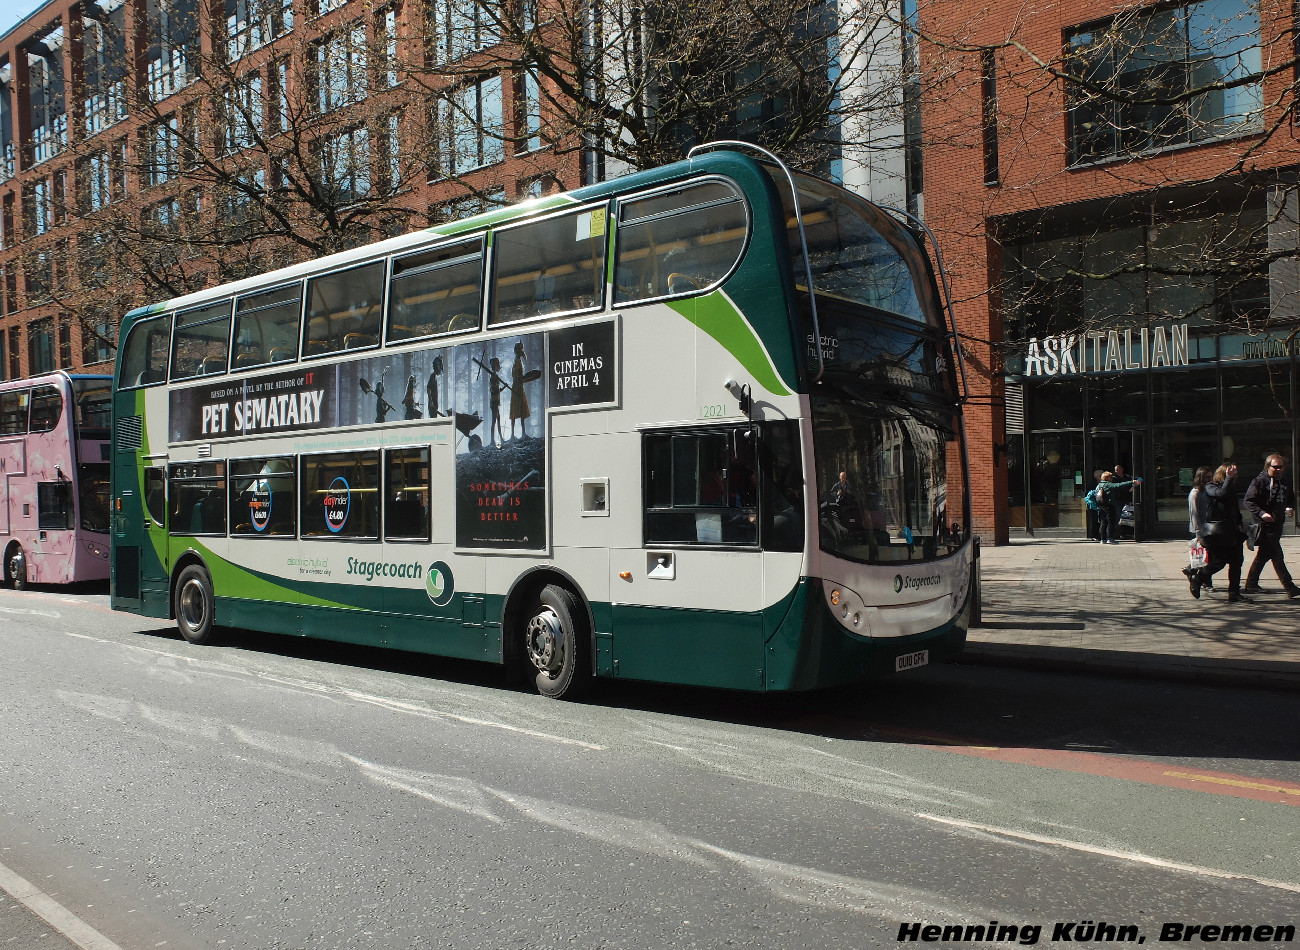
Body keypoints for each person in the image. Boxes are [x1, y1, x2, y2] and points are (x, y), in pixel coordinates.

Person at [1243, 454, 1299, 597]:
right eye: (1276, 467)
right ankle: (1289, 586)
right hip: (1264, 525)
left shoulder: (1285, 481)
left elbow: (1290, 499)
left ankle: (1251, 583)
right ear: (1268, 466)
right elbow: (1248, 501)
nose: (1279, 470)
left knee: (1263, 555)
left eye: (1281, 467)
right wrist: (1262, 514)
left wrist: (1290, 508)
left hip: (1277, 524)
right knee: (1277, 555)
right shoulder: (1259, 481)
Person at [1202, 462, 1249, 603]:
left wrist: (1240, 524)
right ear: (1224, 474)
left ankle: (1234, 593)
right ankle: (1199, 576)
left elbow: (1235, 509)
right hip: (1219, 534)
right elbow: (1221, 495)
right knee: (1219, 562)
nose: (1235, 476)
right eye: (1232, 473)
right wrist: (1228, 478)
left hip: (1233, 532)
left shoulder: (1231, 488)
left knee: (1237, 562)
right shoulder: (1211, 486)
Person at [1185, 465, 1215, 598]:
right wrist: (1199, 532)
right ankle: (1206, 582)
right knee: (1207, 558)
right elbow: (1194, 514)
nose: (1210, 479)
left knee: (1206, 557)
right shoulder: (1195, 493)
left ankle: (1191, 569)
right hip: (1200, 529)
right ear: (1201, 478)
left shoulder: (1205, 491)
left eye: (1211, 476)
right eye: (1207, 477)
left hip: (1207, 528)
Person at [1093, 471, 1141, 543]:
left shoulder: (1099, 485)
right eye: (1111, 477)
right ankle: (1110, 538)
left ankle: (1103, 539)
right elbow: (1118, 485)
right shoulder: (1107, 484)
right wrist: (1131, 482)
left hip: (1101, 505)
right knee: (1110, 522)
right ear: (1108, 478)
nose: (1112, 478)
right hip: (1109, 505)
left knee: (1103, 522)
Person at [510, 341, 531, 438]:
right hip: (517, 387)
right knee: (517, 410)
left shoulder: (516, 360)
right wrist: (525, 378)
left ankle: (520, 433)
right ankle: (515, 434)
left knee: (520, 410)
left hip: (517, 386)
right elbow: (517, 376)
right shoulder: (517, 361)